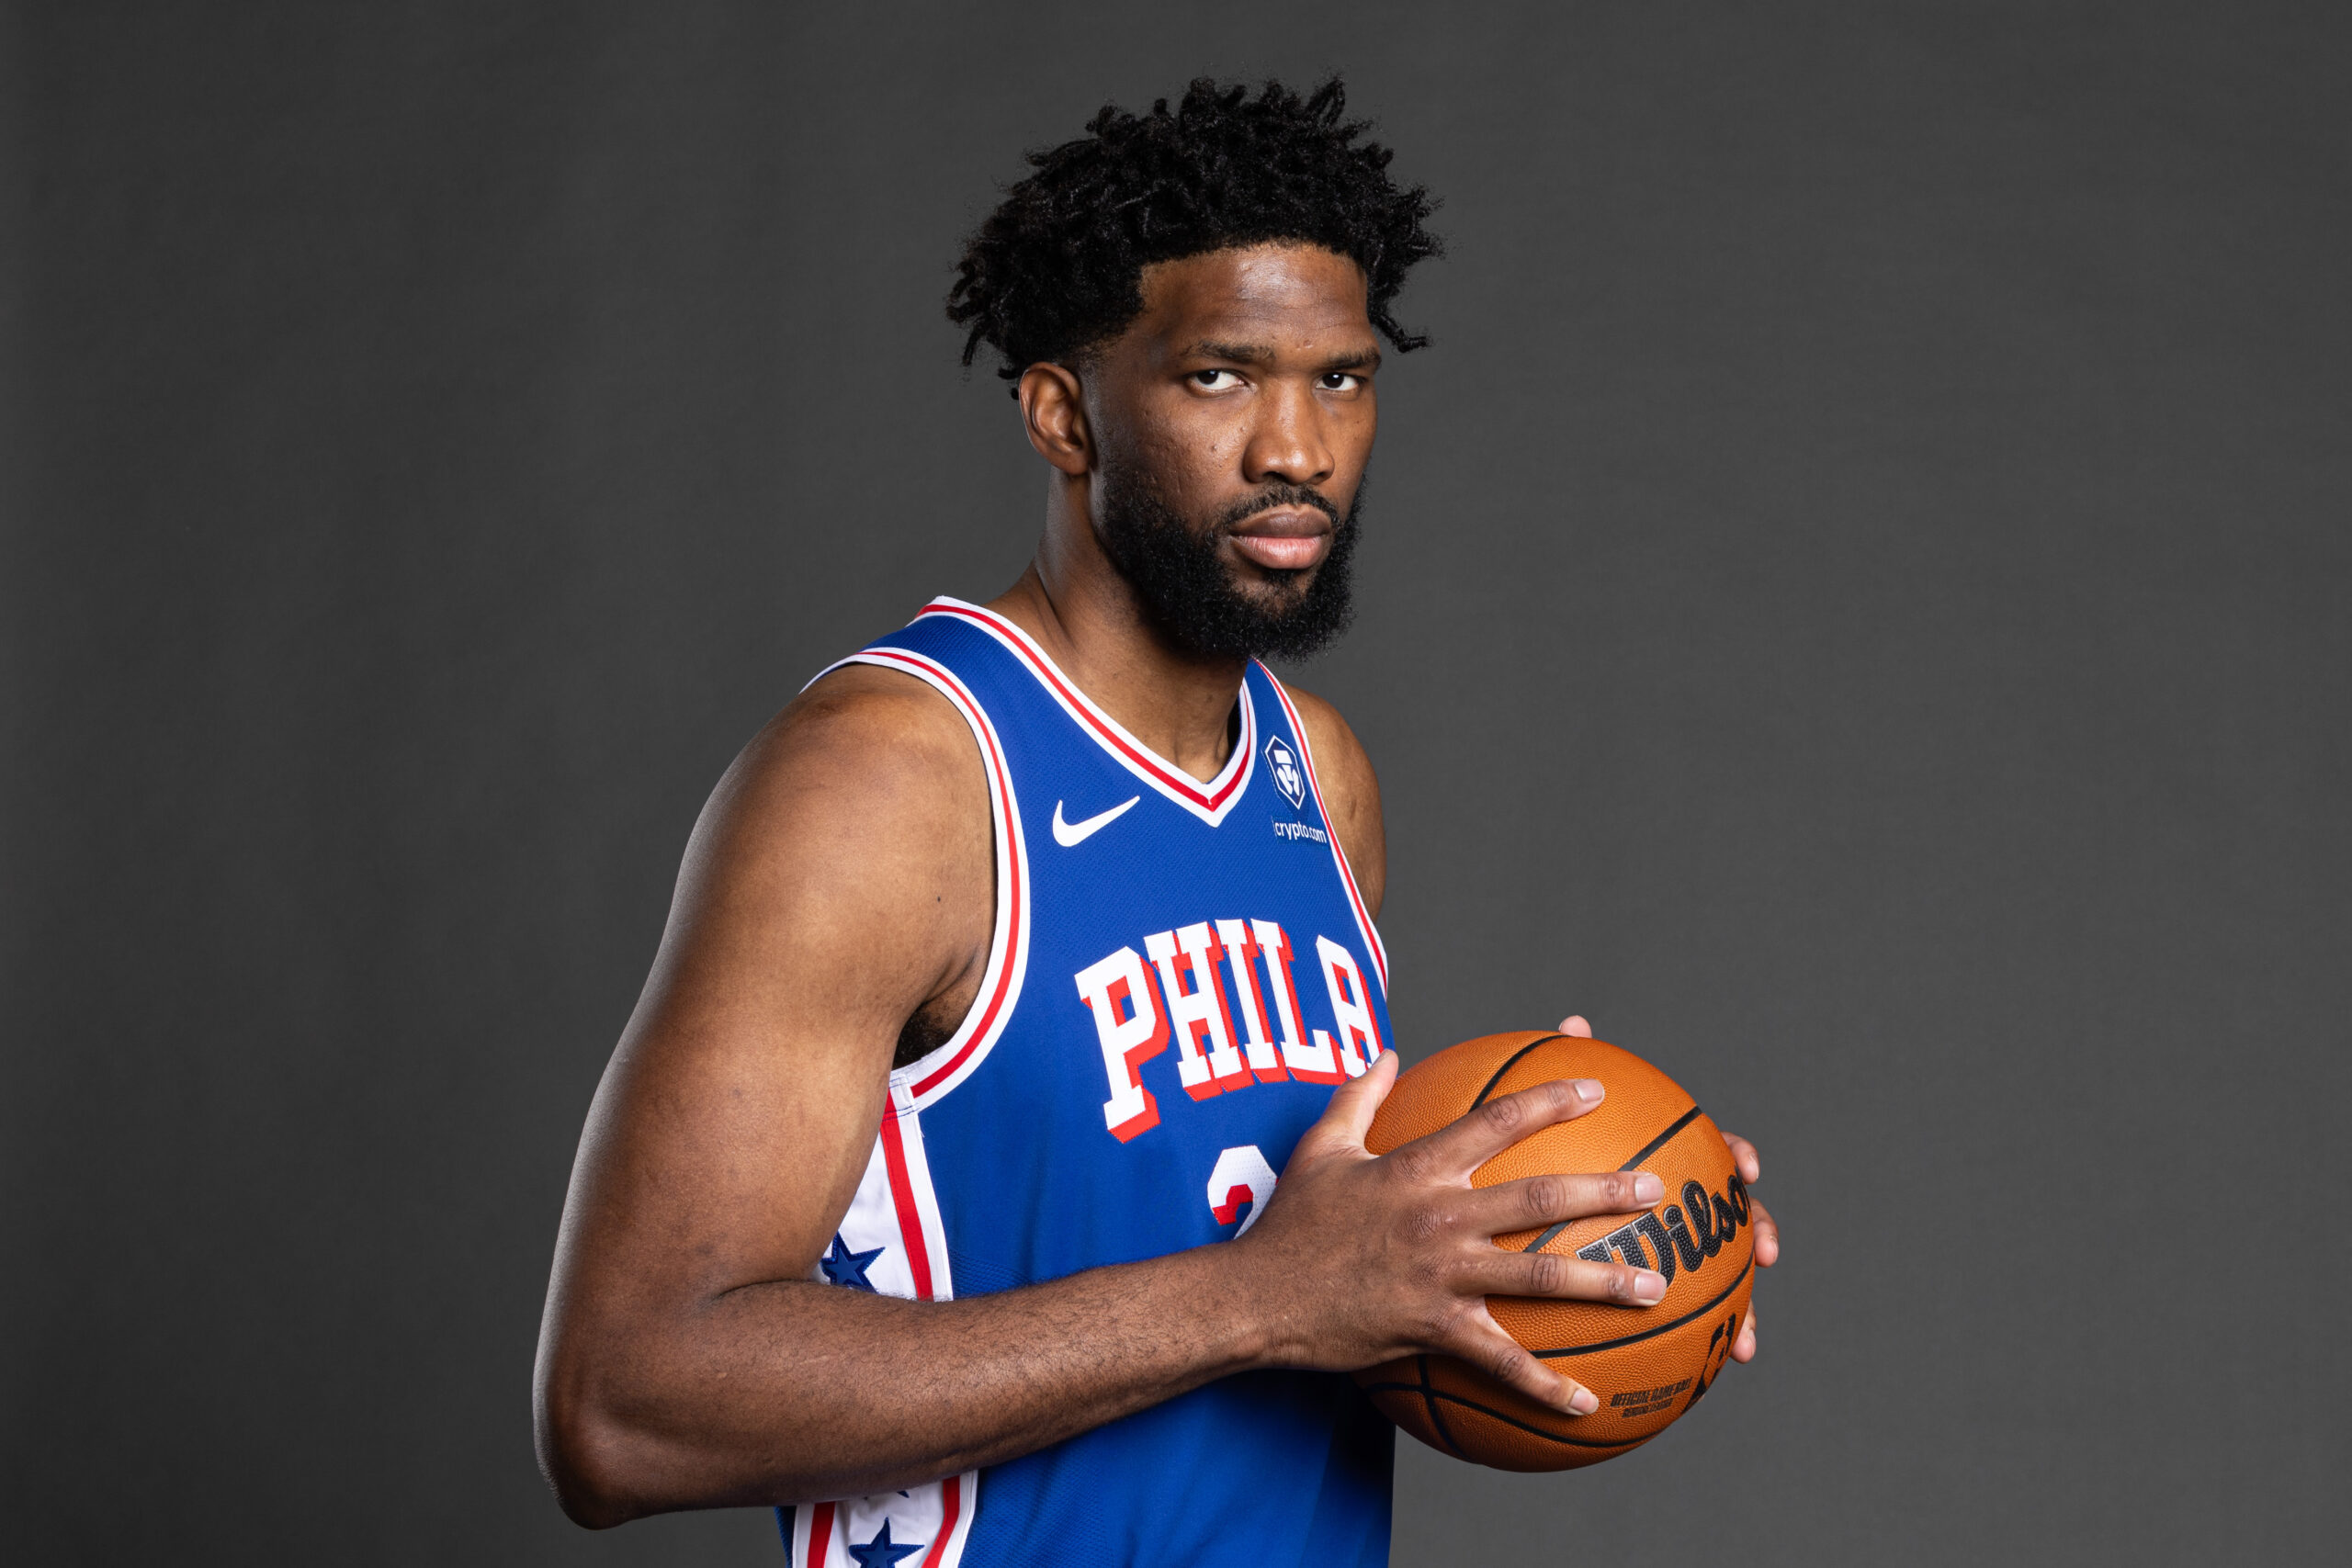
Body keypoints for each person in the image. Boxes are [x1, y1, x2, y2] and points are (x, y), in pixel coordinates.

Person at [534, 78, 1777, 1567]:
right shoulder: (893, 780)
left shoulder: (1320, 775)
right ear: (1065, 412)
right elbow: (626, 1407)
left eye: (1341, 380)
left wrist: (1592, 1223)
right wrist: (1264, 1295)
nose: (1297, 452)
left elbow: (1337, 1274)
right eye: (1219, 379)